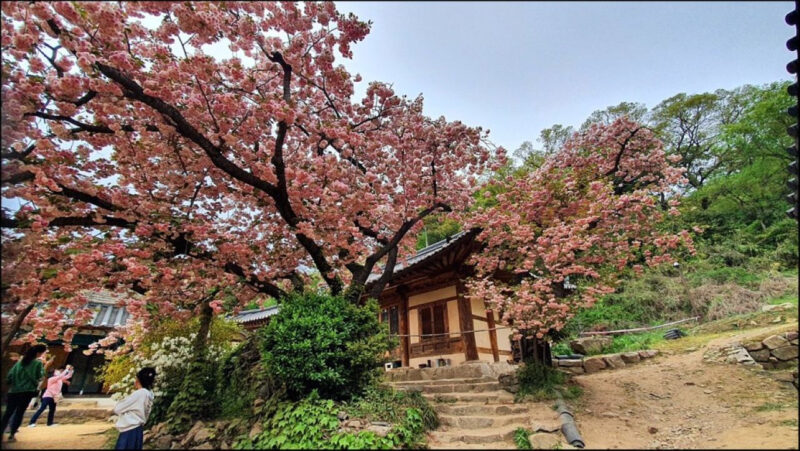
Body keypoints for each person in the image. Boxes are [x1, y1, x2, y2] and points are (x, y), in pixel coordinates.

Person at [1, 344, 47, 442]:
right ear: (39, 353)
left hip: (13, 391)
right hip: (27, 391)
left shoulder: (19, 362)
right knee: (19, 413)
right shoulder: (37, 363)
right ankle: (12, 435)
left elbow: (9, 376)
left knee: (8, 413)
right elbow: (40, 376)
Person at [113, 367, 156, 450]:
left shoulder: (139, 394)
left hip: (130, 429)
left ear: (138, 380)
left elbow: (118, 408)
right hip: (137, 428)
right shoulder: (149, 394)